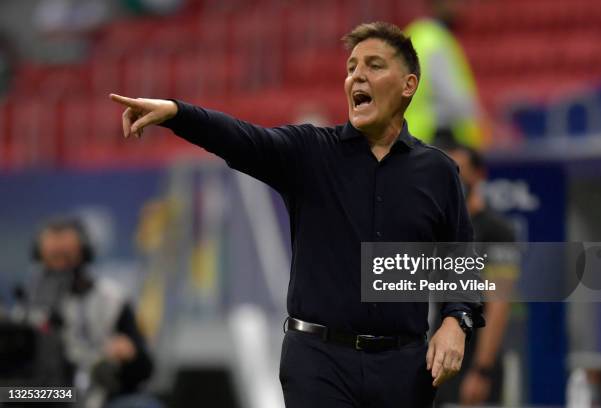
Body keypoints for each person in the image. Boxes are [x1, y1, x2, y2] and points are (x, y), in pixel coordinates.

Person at [110, 21, 484, 408]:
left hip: (404, 368)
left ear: (408, 85)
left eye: (374, 65)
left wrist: (456, 321)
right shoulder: (310, 152)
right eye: (352, 67)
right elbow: (242, 139)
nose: (357, 75)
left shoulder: (438, 172)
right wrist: (176, 113)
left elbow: (461, 264)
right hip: (319, 362)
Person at [25, 218, 156, 408]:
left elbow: (145, 369)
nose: (60, 266)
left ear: (84, 254)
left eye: (67, 256)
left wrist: (129, 356)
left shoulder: (111, 299)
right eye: (53, 256)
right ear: (40, 256)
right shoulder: (28, 302)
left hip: (101, 394)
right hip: (47, 395)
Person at [435, 144, 519, 406]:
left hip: (472, 364)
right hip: (437, 358)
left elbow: (498, 305)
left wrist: (482, 370)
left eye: (459, 171)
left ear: (478, 175)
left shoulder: (497, 231)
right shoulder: (439, 227)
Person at [403, 0, 487, 149]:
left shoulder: (415, 34)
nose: (461, 7)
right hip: (433, 138)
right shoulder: (435, 40)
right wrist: (483, 127)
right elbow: (454, 98)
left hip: (409, 136)